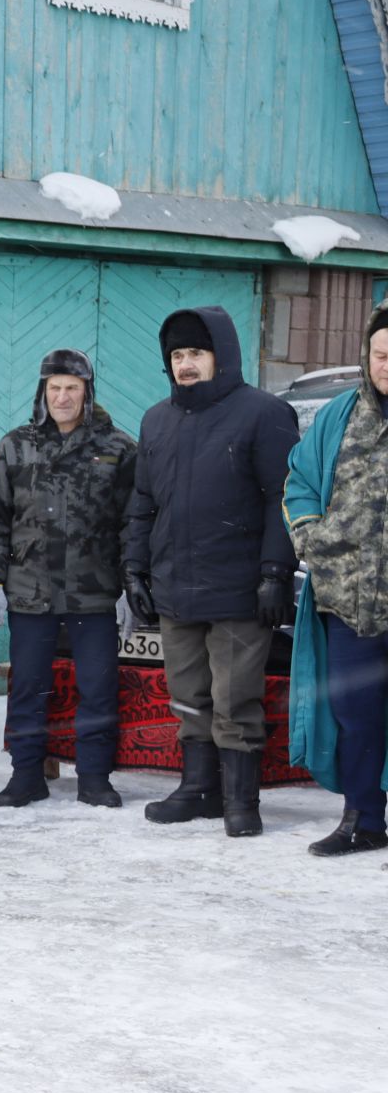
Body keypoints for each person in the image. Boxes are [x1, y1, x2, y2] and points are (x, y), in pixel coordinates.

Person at [125, 308, 298, 837]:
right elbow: (142, 501)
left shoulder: (263, 413)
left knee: (234, 698)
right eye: (177, 356)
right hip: (175, 586)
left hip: (237, 589)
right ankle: (198, 789)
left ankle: (241, 801)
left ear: (221, 355)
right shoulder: (157, 419)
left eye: (195, 353)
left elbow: (283, 499)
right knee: (188, 695)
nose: (186, 364)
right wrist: (134, 567)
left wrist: (274, 572)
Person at [0, 349, 138, 808]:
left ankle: (94, 777)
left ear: (87, 391)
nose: (62, 397)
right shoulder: (16, 445)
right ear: (42, 392)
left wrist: (129, 583)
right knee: (28, 687)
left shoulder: (118, 448)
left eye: (71, 387)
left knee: (98, 686)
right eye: (54, 388)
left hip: (94, 592)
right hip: (30, 591)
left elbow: (133, 521)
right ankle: (26, 774)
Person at [284, 302, 388, 857]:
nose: (386, 364)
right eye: (380, 354)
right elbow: (299, 478)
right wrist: (310, 535)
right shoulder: (338, 415)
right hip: (347, 599)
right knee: (356, 715)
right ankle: (364, 818)